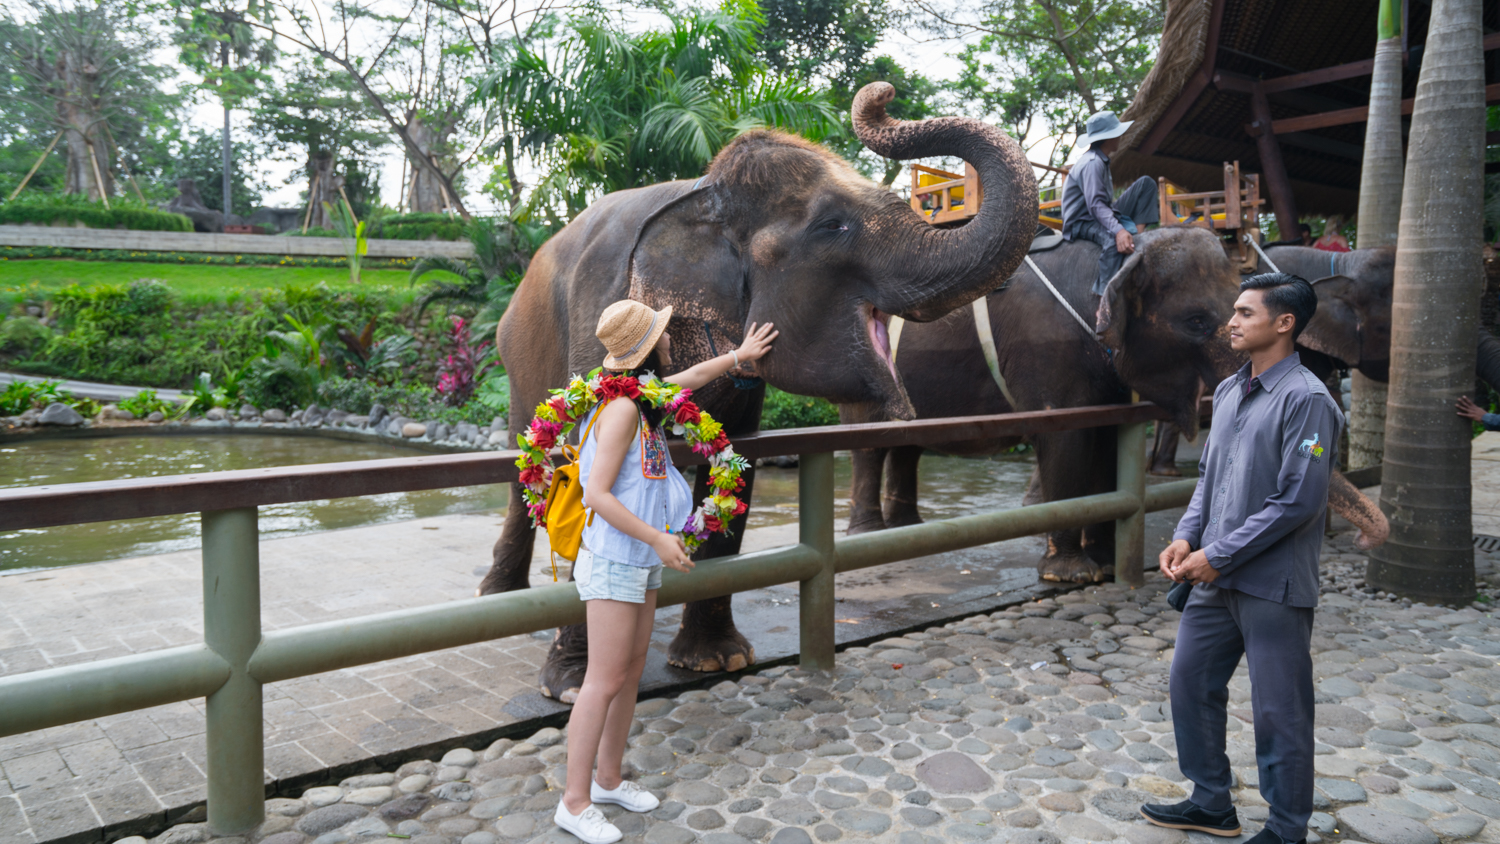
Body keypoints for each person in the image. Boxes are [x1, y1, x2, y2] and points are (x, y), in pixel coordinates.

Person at [553, 300, 777, 844]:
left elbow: (695, 376)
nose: (670, 338)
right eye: (662, 333)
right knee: (601, 681)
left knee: (629, 673)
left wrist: (739, 357)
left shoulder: (639, 393)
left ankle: (608, 780)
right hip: (617, 558)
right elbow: (598, 495)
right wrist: (658, 538)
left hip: (640, 559)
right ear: (647, 347)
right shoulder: (623, 410)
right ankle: (574, 802)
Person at [1142, 273, 1343, 844]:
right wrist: (1186, 535)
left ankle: (1285, 829)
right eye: (1234, 311)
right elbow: (1209, 478)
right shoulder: (1229, 391)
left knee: (1280, 711)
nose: (1231, 321)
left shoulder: (1308, 400)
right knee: (1190, 683)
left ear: (1284, 324)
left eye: (1244, 313)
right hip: (1212, 574)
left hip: (1271, 585)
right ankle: (1210, 802)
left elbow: (1299, 502)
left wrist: (1219, 554)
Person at [1061, 110, 1162, 294]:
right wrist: (1119, 231)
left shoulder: (1102, 159)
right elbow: (1096, 206)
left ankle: (1135, 241)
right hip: (1083, 221)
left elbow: (1103, 204)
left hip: (1102, 211)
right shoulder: (1092, 163)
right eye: (1117, 133)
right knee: (1112, 240)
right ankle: (1104, 298)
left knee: (1146, 184)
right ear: (1109, 138)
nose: (1121, 136)